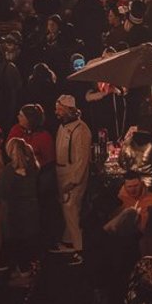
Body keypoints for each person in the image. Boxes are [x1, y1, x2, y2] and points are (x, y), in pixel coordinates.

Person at [54, 94, 92, 255]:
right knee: (67, 211)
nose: (57, 112)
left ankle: (78, 247)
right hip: (62, 172)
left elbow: (82, 159)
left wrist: (74, 180)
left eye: (59, 109)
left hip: (72, 176)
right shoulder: (62, 127)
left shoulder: (81, 130)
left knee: (72, 209)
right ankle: (69, 240)